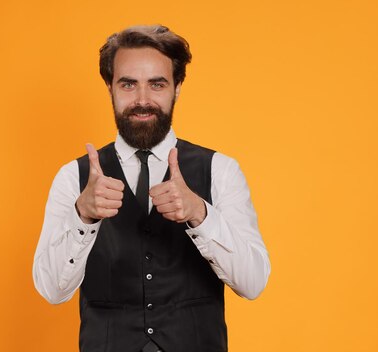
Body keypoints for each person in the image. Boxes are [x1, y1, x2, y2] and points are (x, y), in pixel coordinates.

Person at [33, 25, 270, 352]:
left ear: (177, 88)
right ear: (110, 88)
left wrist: (201, 215)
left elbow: (254, 283)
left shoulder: (221, 171)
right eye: (128, 84)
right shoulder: (73, 177)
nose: (142, 100)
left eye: (157, 84)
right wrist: (82, 217)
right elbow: (51, 290)